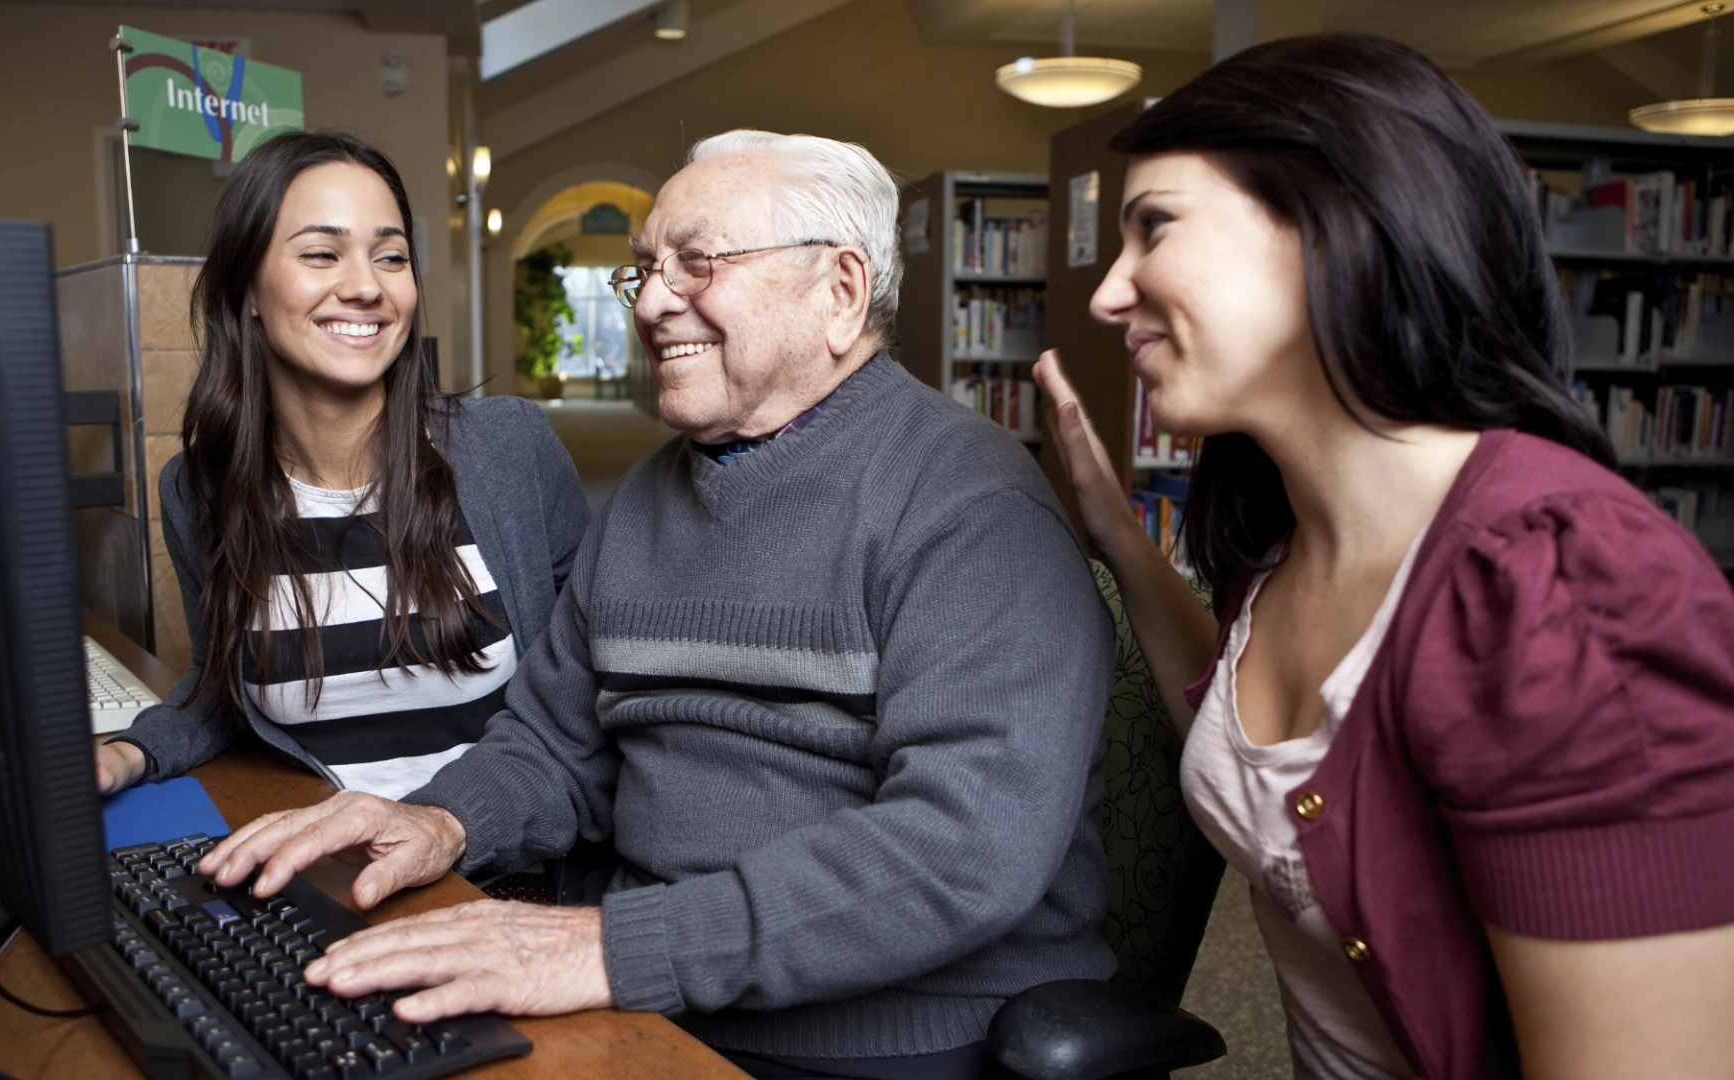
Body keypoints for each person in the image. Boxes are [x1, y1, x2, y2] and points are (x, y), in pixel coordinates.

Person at [196, 130, 1118, 1080]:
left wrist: (608, 949)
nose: (654, 302)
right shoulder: (644, 499)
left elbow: (961, 849)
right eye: (644, 271)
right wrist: (444, 820)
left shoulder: (969, 505)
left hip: (892, 1037)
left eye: (698, 264)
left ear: (840, 291)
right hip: (656, 990)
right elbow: (555, 744)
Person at [1032, 33, 1734, 1080]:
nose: (1109, 292)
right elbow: (1245, 739)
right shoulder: (1284, 537)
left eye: (1157, 229)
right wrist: (1118, 537)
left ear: (1333, 222)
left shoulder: (1562, 585)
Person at [97, 131, 588, 802]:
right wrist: (130, 753)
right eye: (323, 254)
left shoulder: (510, 450)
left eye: (391, 256)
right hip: (323, 867)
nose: (365, 287)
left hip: (490, 865)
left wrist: (443, 826)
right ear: (247, 290)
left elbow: (585, 691)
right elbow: (221, 687)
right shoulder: (199, 489)